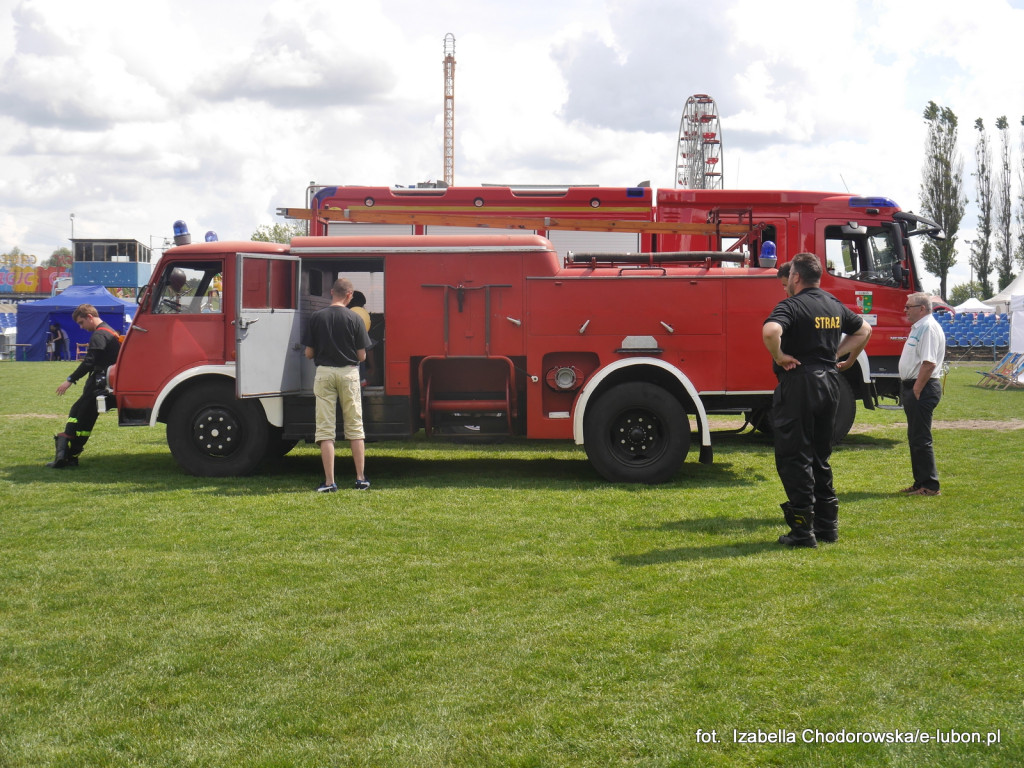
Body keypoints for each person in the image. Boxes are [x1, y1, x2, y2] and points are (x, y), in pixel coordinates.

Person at [762, 253, 872, 547]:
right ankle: (827, 527)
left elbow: (771, 331)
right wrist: (842, 356)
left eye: (789, 278)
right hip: (830, 384)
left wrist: (779, 356)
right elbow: (864, 329)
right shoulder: (833, 304)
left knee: (794, 457)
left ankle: (802, 531)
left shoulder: (791, 305)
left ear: (796, 277)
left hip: (800, 384)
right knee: (820, 456)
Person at [302, 278, 371, 492]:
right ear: (350, 295)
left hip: (324, 373)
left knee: (325, 428)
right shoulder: (356, 318)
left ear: (332, 292)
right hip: (349, 373)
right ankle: (360, 479)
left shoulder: (316, 317)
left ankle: (329, 482)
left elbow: (309, 353)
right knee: (355, 426)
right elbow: (362, 356)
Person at [46, 304, 122, 468]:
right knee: (82, 416)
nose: (81, 327)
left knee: (79, 415)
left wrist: (70, 380)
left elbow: (89, 362)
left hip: (98, 382)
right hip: (106, 381)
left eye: (81, 322)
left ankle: (66, 457)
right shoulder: (110, 331)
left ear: (89, 317)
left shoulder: (99, 335)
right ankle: (69, 455)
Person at [898, 292, 945, 496]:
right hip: (916, 387)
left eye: (909, 306)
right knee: (915, 437)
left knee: (921, 438)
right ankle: (920, 483)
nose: (905, 310)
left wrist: (916, 389)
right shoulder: (920, 327)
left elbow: (929, 363)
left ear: (922, 309)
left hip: (922, 387)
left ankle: (930, 486)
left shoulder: (928, 328)